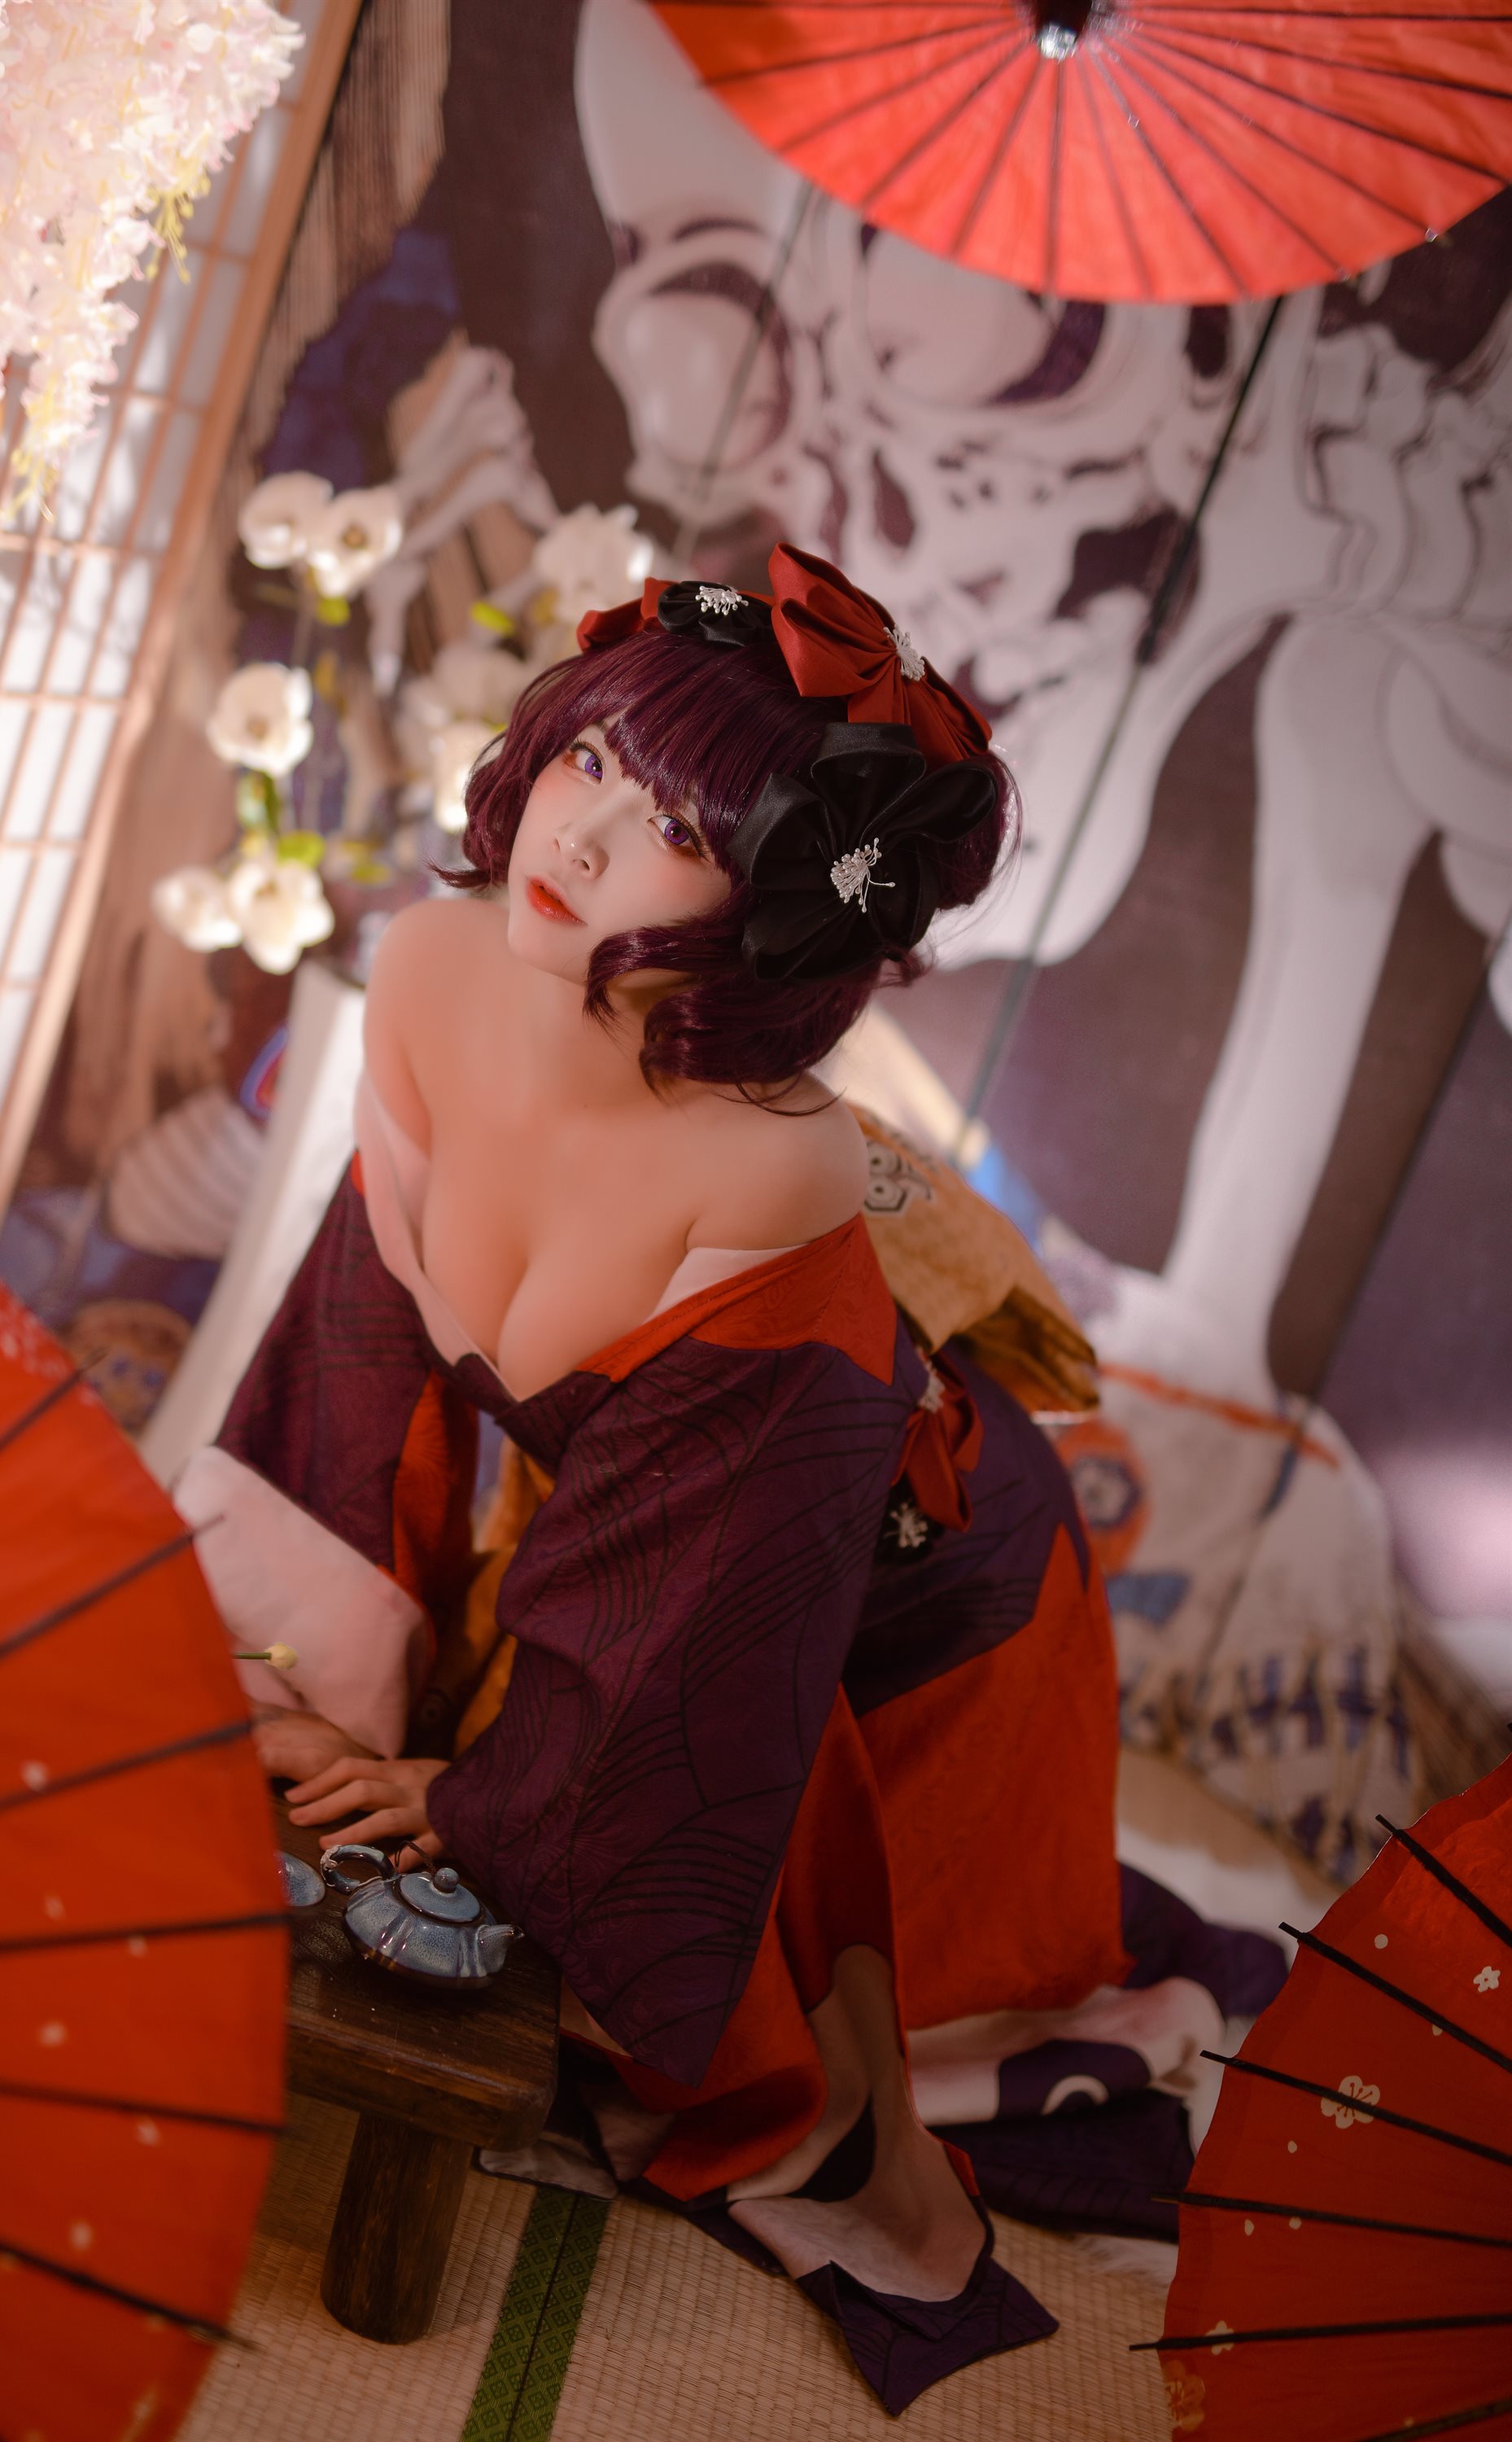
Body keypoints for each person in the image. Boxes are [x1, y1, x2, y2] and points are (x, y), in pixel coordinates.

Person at [180, 549, 1282, 2413]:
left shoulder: (770, 1170)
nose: (583, 835)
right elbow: (357, 1340)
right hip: (694, 1528)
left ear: (777, 899)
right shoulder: (436, 962)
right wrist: (292, 1670)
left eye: (681, 827)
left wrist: (482, 1802)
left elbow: (704, 1597)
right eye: (591, 757)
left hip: (913, 1583)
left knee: (804, 1981)